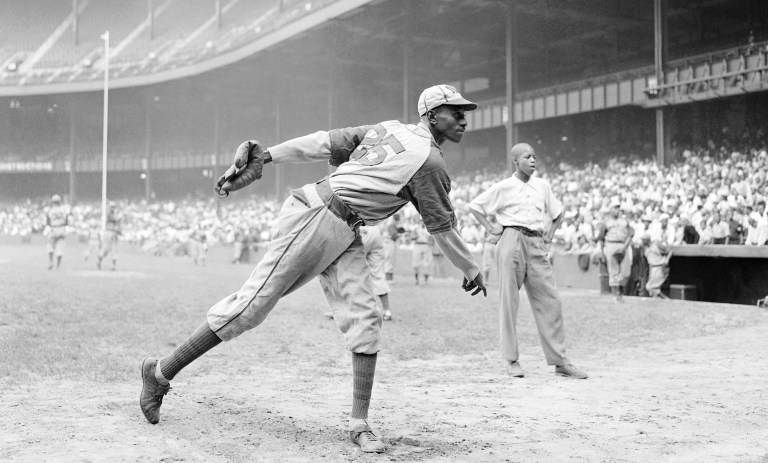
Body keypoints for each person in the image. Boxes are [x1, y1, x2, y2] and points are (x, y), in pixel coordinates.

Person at [139, 84, 487, 453]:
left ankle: (359, 423)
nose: (464, 117)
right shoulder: (429, 162)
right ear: (431, 115)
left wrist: (268, 155)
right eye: (454, 110)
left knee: (367, 317)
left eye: (464, 111)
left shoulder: (388, 129)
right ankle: (159, 372)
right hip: (318, 216)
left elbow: (324, 142)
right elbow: (443, 229)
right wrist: (470, 268)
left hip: (346, 227)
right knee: (250, 308)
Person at [468, 142, 587, 380]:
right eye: (527, 157)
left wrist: (550, 234)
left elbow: (557, 213)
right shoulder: (504, 187)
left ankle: (560, 362)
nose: (533, 160)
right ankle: (511, 360)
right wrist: (491, 227)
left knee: (551, 300)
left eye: (534, 156)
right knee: (509, 301)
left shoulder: (542, 185)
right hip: (512, 238)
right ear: (515, 161)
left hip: (536, 241)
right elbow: (475, 206)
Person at [597, 199, 634, 302]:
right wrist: (602, 251)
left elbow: (631, 234)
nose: (617, 210)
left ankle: (620, 294)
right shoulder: (606, 222)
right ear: (610, 209)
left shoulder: (624, 221)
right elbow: (601, 238)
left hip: (623, 245)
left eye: (618, 208)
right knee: (613, 271)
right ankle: (615, 296)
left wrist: (625, 246)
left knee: (625, 272)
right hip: (611, 245)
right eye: (615, 208)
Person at [45, 194, 70, 270]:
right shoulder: (64, 210)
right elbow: (66, 222)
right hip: (61, 229)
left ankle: (51, 262)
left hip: (53, 229)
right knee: (60, 248)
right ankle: (58, 266)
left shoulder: (50, 210)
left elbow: (48, 222)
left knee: (50, 246)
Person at [98, 202, 122, 271]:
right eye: (112, 207)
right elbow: (115, 219)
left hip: (113, 233)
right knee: (105, 249)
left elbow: (118, 225)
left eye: (114, 207)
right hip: (108, 232)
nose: (113, 208)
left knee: (114, 250)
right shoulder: (109, 214)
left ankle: (114, 266)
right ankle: (99, 261)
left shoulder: (114, 214)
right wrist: (120, 215)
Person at [382, 214, 404, 281]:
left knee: (391, 259)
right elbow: (393, 235)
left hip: (390, 242)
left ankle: (389, 277)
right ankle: (388, 278)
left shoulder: (393, 223)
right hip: (389, 241)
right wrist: (400, 235)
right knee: (389, 259)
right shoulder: (391, 223)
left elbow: (401, 230)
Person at [411, 221, 432, 285]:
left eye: (424, 222)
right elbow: (412, 238)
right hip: (418, 245)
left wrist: (430, 243)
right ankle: (416, 279)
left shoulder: (429, 229)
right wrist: (417, 235)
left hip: (426, 245)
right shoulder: (416, 229)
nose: (423, 223)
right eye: (422, 222)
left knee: (427, 264)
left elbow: (432, 238)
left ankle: (426, 280)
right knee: (416, 263)